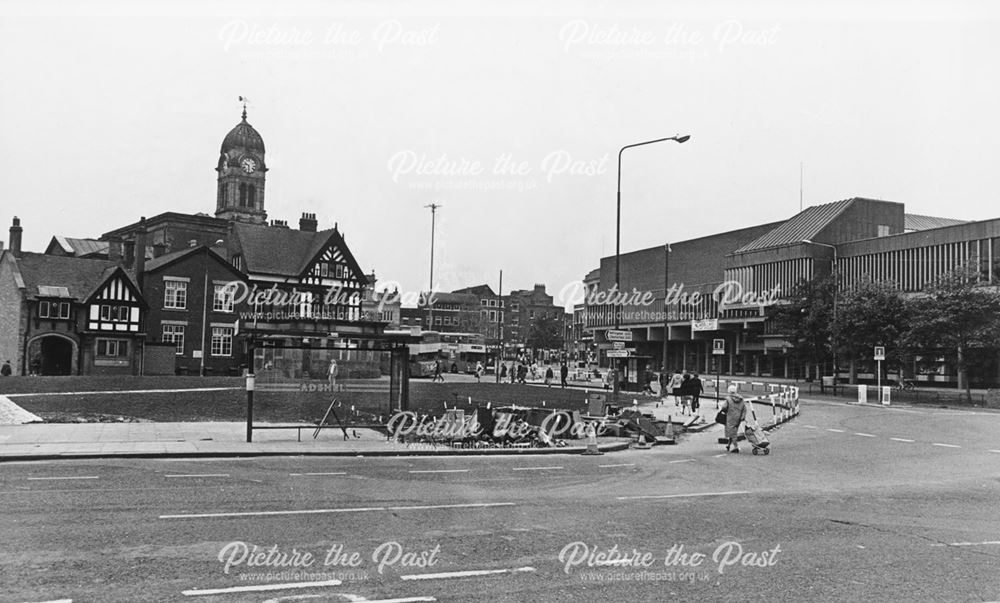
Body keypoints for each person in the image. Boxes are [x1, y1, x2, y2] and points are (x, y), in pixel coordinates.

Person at [722, 384, 748, 453]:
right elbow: (744, 409)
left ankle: (736, 447)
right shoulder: (741, 399)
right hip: (738, 418)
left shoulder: (728, 399)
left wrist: (725, 411)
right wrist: (742, 417)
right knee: (733, 431)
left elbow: (724, 407)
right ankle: (728, 445)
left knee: (732, 433)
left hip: (730, 417)